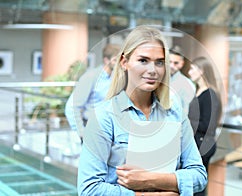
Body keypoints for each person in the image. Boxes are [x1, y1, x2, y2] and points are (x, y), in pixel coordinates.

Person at [77, 26, 207, 195]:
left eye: (159, 62)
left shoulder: (175, 114)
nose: (152, 70)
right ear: (124, 62)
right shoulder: (105, 116)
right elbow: (89, 189)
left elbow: (199, 175)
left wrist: (150, 180)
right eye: (143, 60)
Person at [64, 43, 120, 143]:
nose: (119, 64)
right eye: (116, 60)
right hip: (93, 130)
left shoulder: (117, 78)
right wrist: (82, 133)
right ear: (106, 60)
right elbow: (71, 107)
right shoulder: (91, 77)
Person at [187, 56, 223, 196]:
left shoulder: (209, 94)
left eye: (192, 68)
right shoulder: (199, 91)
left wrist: (186, 122)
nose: (189, 72)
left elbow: (208, 125)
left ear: (201, 71)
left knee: (198, 185)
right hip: (197, 142)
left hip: (203, 143)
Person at [169, 45, 196, 114]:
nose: (171, 66)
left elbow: (186, 112)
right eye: (169, 62)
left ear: (182, 64)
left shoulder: (187, 84)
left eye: (176, 63)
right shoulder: (157, 80)